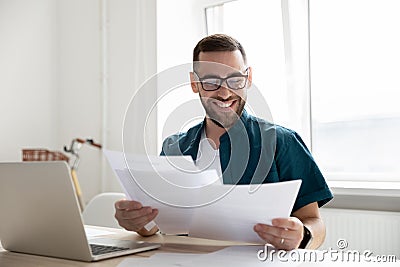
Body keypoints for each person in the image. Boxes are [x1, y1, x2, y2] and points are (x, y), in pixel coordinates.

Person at [115, 34, 333, 250]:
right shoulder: (174, 148)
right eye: (211, 82)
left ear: (248, 79)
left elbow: (314, 221)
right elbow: (155, 225)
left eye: (235, 80)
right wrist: (139, 223)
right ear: (194, 83)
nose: (225, 93)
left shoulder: (282, 142)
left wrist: (303, 236)